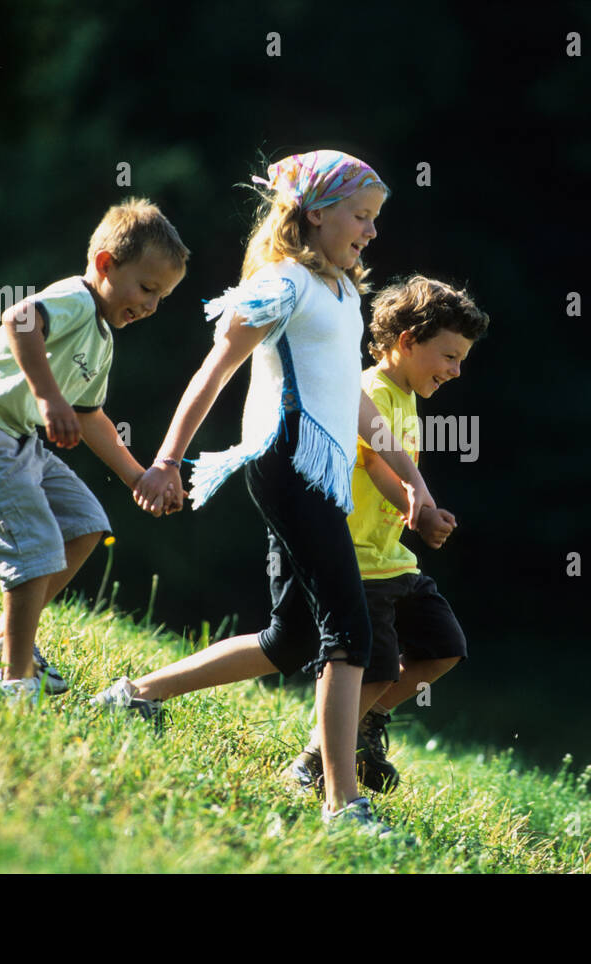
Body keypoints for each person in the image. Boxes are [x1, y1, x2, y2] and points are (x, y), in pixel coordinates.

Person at [92, 150, 432, 835]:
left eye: (375, 220)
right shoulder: (284, 285)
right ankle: (343, 805)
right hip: (286, 462)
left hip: (323, 472)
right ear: (314, 214)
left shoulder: (342, 292)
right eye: (361, 217)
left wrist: (412, 483)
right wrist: (165, 460)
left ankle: (134, 694)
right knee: (350, 632)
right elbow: (212, 376)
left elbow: (360, 410)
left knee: (292, 637)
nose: (371, 232)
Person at [0, 198, 188, 700]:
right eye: (147, 288)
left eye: (162, 298)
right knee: (35, 553)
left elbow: (90, 416)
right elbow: (20, 319)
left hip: (17, 441)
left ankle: (4, 638)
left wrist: (139, 477)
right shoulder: (75, 298)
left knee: (85, 524)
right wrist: (49, 398)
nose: (151, 306)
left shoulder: (102, 339)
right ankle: (14, 679)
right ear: (105, 264)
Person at [287, 275, 489, 794]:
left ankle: (366, 722)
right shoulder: (369, 390)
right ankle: (317, 758)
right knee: (369, 667)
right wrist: (418, 512)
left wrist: (418, 515)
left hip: (389, 556)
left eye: (462, 360)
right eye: (448, 356)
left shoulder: (406, 394)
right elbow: (376, 464)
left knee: (444, 646)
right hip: (356, 557)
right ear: (406, 342)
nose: (456, 370)